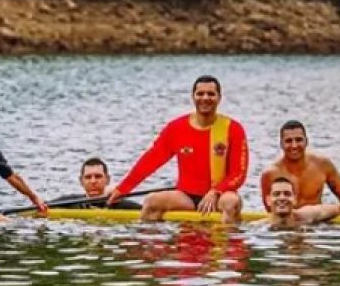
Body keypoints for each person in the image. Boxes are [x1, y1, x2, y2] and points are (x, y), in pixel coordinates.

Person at [107, 75, 249, 223]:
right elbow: (151, 160)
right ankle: (147, 243)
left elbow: (238, 174)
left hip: (221, 195)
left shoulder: (233, 129)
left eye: (211, 94)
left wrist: (216, 191)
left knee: (231, 203)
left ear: (219, 98)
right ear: (193, 97)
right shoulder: (176, 128)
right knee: (151, 201)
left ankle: (229, 243)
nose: (205, 98)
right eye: (200, 94)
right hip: (186, 197)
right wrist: (123, 189)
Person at [260, 120, 340, 208]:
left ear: (306, 141)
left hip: (317, 222)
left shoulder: (323, 165)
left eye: (298, 140)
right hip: (286, 223)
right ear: (281, 144)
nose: (294, 145)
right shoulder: (270, 174)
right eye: (288, 141)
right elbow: (269, 210)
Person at [262, 177, 340, 228]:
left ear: (295, 199)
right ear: (268, 200)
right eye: (277, 194)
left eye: (287, 194)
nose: (282, 198)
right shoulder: (258, 227)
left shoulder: (307, 215)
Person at [50, 158, 141, 209]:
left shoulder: (126, 206)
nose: (93, 181)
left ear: (107, 180)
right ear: (81, 181)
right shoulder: (68, 202)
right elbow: (42, 206)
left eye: (98, 176)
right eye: (88, 177)